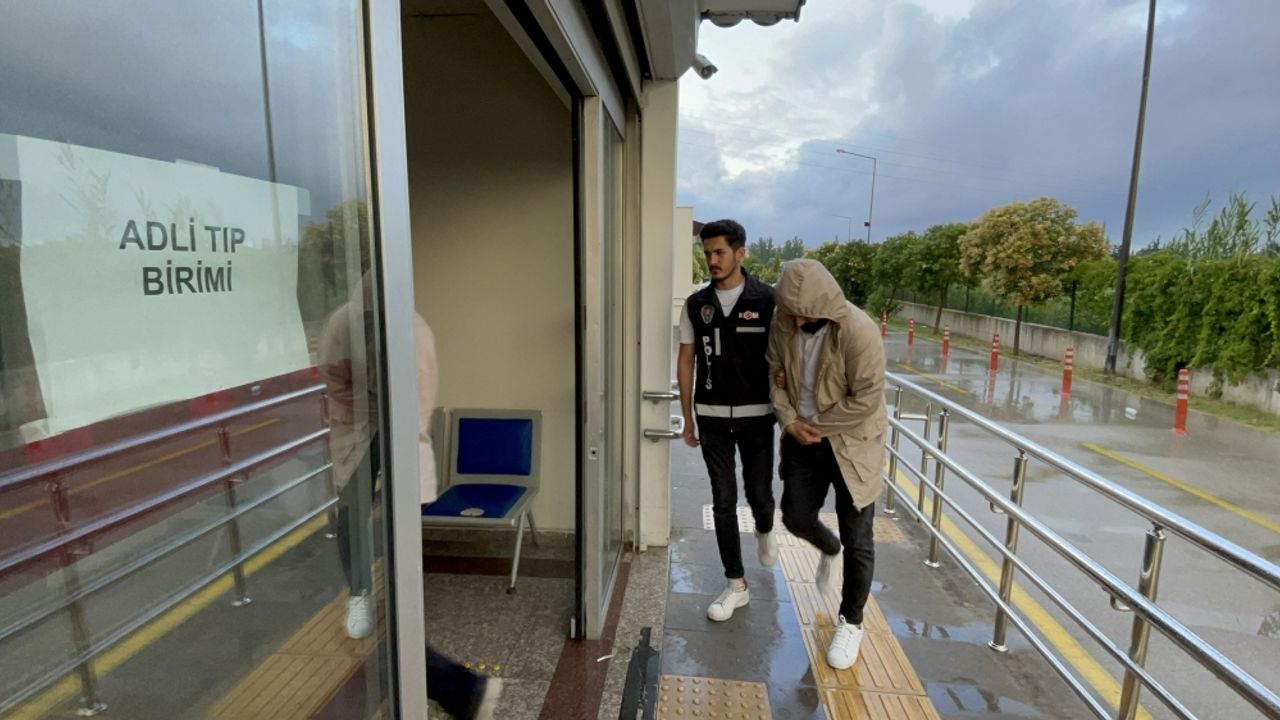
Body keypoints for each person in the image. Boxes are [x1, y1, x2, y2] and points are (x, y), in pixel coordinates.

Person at [319, 273, 501, 719]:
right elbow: (334, 378)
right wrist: (367, 402)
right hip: (357, 432)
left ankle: (457, 688)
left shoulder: (414, 328)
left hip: (400, 440)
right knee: (351, 520)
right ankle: (362, 594)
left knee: (397, 564)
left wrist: (380, 405)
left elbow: (417, 402)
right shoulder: (343, 323)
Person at [766, 259, 886, 670]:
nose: (798, 321)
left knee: (859, 537)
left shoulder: (858, 331)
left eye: (806, 313)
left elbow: (866, 398)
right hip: (801, 437)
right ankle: (827, 546)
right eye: (792, 312)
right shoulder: (783, 322)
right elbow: (773, 372)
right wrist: (789, 421)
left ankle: (851, 621)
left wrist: (814, 425)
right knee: (795, 517)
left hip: (852, 443)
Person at [677, 219, 778, 622]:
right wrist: (687, 416)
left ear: (740, 253)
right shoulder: (695, 304)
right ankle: (736, 584)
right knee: (723, 499)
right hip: (712, 416)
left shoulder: (768, 300)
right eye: (707, 254)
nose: (713, 260)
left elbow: (786, 355)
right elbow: (687, 359)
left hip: (758, 417)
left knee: (759, 495)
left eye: (720, 252)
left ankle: (766, 528)